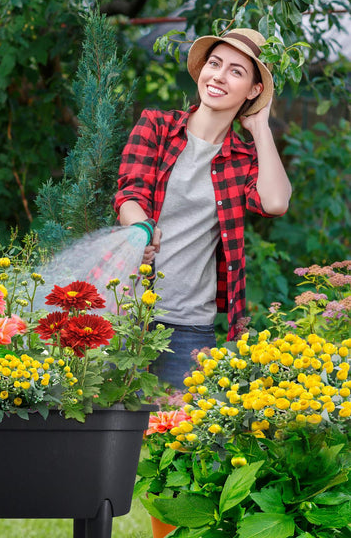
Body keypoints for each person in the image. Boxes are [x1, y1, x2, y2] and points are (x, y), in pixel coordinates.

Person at [113, 28, 292, 388]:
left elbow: (274, 203)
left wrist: (259, 126)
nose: (219, 77)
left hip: (189, 329)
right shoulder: (157, 126)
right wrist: (142, 228)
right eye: (215, 64)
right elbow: (129, 195)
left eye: (236, 71)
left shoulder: (243, 158)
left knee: (179, 439)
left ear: (254, 90)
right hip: (126, 314)